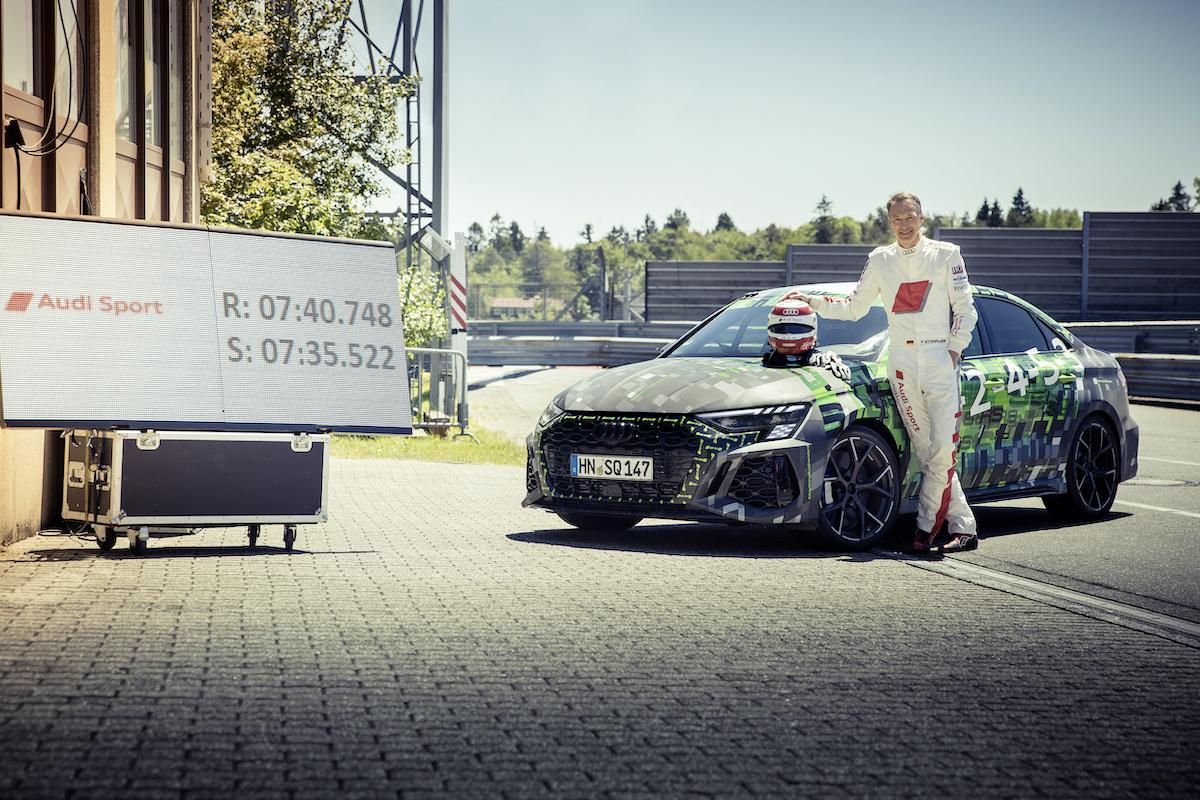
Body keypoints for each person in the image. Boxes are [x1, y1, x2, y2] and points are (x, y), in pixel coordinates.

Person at [790, 192, 978, 553]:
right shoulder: (880, 260)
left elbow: (966, 309)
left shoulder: (946, 254)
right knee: (927, 452)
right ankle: (963, 528)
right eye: (897, 220)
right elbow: (853, 308)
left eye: (910, 218)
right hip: (902, 366)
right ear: (889, 222)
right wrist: (811, 302)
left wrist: (954, 350)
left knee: (941, 451)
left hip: (940, 361)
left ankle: (925, 531)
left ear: (921, 218)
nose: (904, 226)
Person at [761, 295, 851, 381]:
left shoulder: (827, 364)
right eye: (781, 329)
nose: (789, 334)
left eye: (797, 329)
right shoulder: (762, 365)